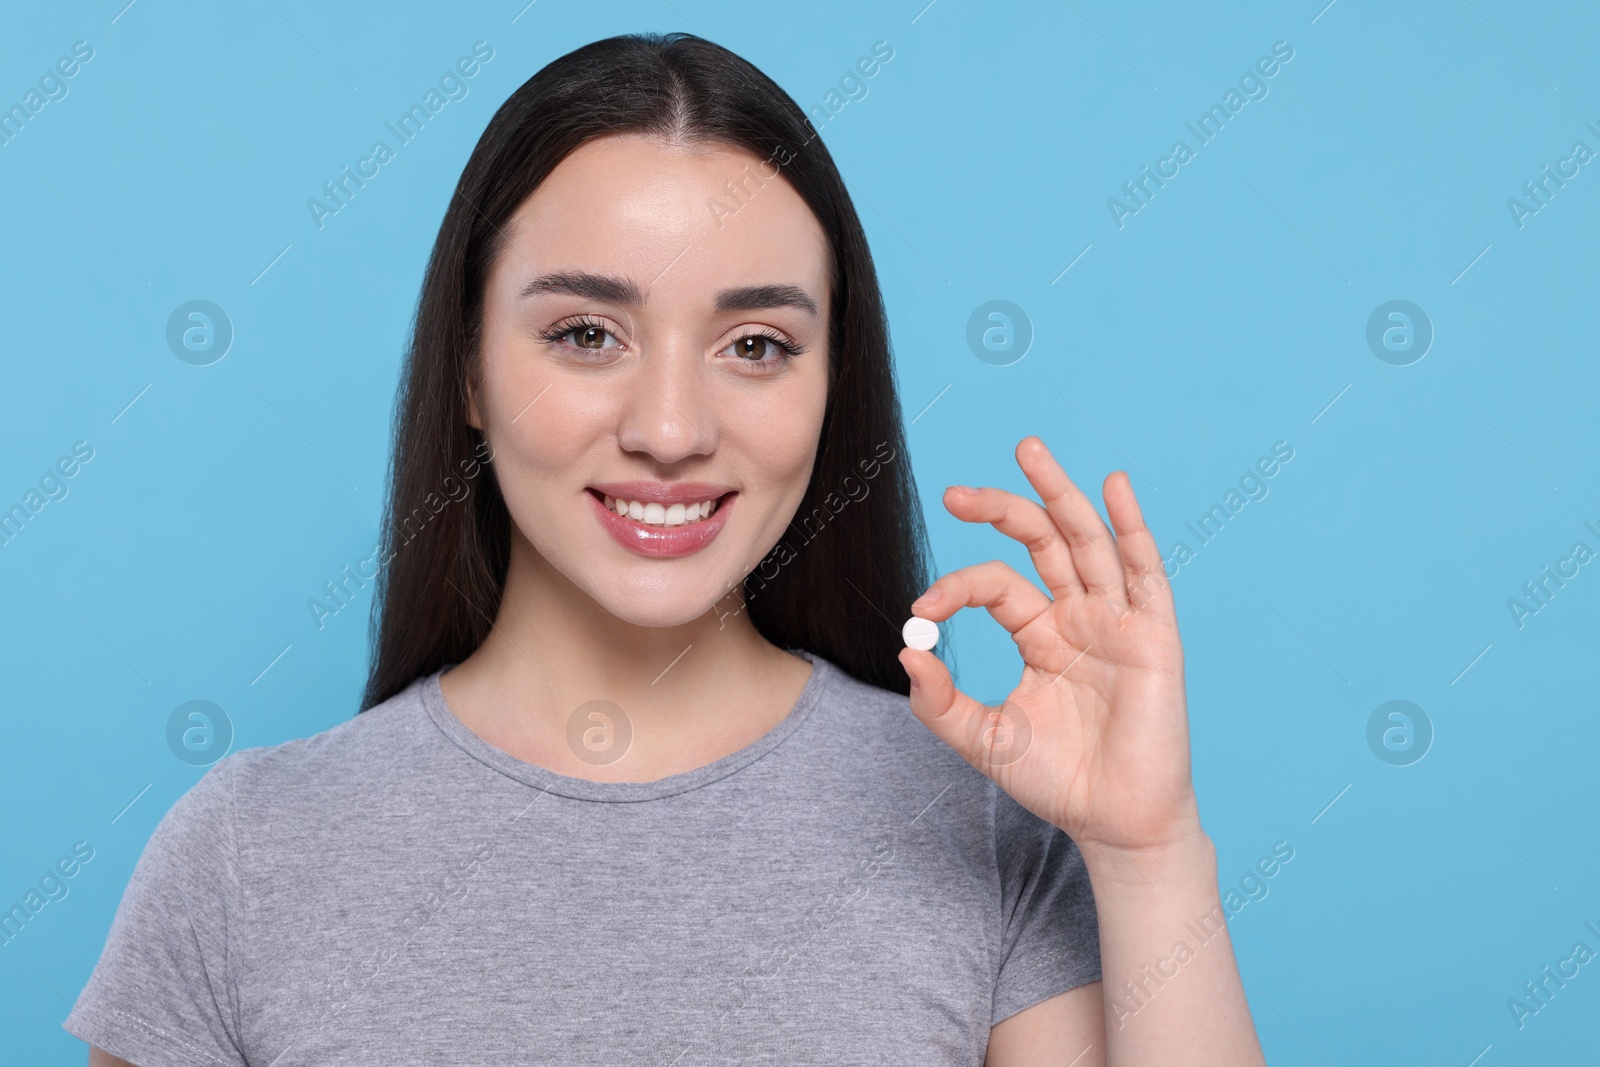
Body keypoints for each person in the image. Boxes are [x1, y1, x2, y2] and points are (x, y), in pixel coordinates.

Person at [67, 32, 1265, 1066]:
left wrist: (1152, 851)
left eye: (755, 344)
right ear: (471, 370)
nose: (671, 430)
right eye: (586, 333)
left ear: (831, 386)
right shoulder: (247, 854)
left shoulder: (984, 832)